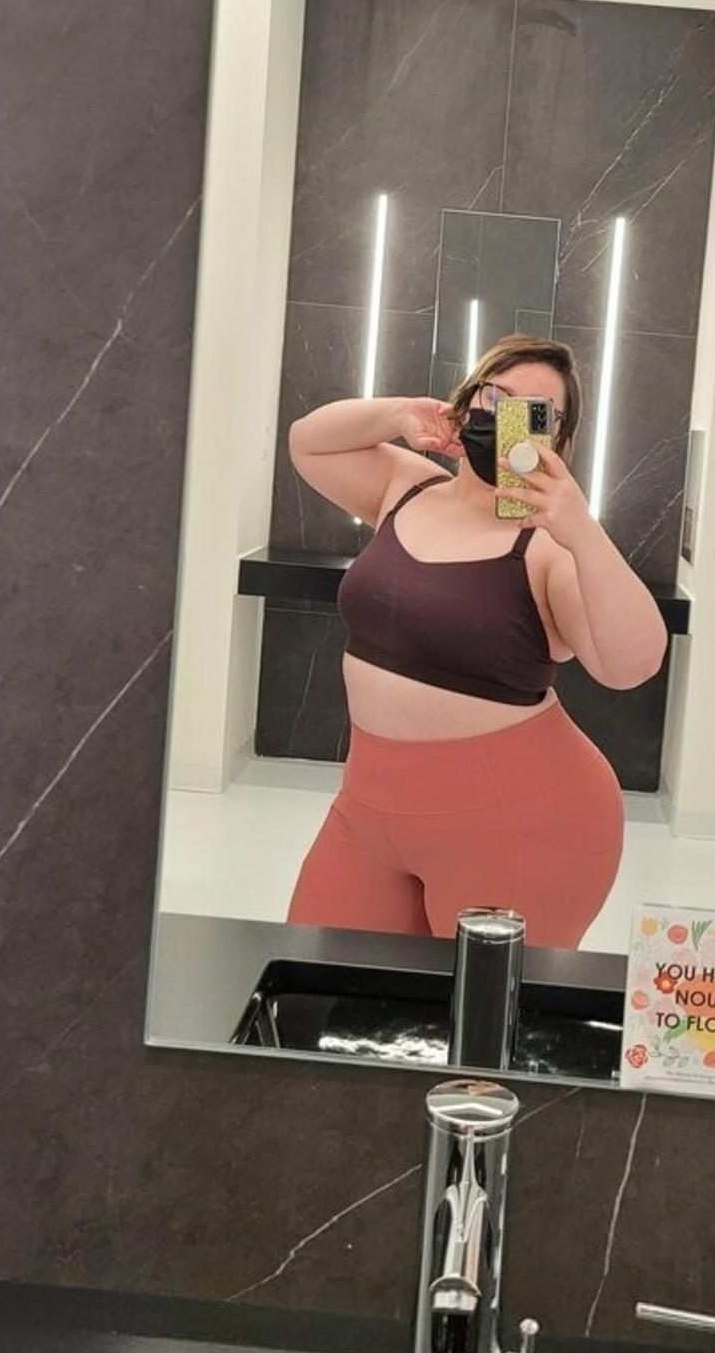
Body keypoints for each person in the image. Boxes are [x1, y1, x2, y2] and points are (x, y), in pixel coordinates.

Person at [284, 333, 668, 949]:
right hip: (368, 811)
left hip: (522, 825)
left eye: (534, 411)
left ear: (556, 439)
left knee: (484, 1008)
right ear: (466, 403)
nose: (506, 416)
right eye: (495, 396)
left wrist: (581, 529)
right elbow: (308, 441)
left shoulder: (549, 547)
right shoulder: (407, 486)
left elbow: (632, 664)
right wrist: (401, 414)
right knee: (315, 976)